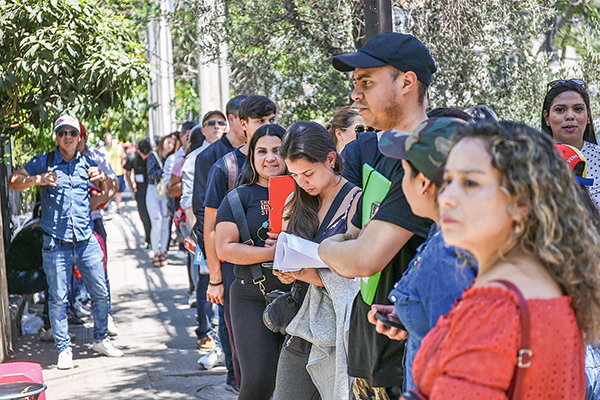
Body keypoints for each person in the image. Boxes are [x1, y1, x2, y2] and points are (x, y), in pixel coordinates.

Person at [410, 121, 600, 399]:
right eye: (448, 180)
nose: (447, 197)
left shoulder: (495, 308)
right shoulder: (551, 279)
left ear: (521, 202)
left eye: (471, 183)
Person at [318, 32, 436, 398]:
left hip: (407, 360)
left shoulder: (426, 157)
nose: (355, 94)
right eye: (355, 84)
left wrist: (324, 250)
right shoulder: (382, 148)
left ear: (406, 82)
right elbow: (356, 236)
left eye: (367, 82)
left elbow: (363, 257)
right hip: (370, 350)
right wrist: (348, 247)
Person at [366, 118, 477, 392]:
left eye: (404, 172)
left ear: (424, 182)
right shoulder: (454, 235)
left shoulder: (446, 255)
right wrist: (410, 314)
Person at [8, 115, 124, 370]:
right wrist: (37, 180)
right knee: (58, 297)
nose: (68, 137)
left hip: (85, 238)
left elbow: (113, 186)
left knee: (101, 292)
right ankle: (64, 349)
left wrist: (102, 178)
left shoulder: (90, 160)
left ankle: (101, 339)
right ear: (57, 137)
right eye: (63, 133)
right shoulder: (46, 162)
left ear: (79, 136)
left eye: (72, 132)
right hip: (56, 242)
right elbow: (13, 181)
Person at [274, 121, 362, 400]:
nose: (302, 182)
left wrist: (306, 273)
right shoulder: (294, 199)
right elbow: (287, 250)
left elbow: (357, 272)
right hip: (301, 322)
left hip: (341, 328)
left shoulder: (356, 201)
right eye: (295, 175)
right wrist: (286, 271)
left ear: (331, 159)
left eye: (308, 173)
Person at [200, 96, 277, 389]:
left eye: (272, 120)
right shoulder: (226, 168)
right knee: (250, 371)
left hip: (287, 278)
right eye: (260, 122)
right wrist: (215, 279)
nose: (267, 127)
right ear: (243, 125)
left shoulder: (288, 166)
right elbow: (210, 229)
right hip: (239, 274)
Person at [215, 124, 289, 400]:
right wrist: (271, 254)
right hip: (251, 297)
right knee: (258, 382)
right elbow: (225, 248)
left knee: (301, 385)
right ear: (252, 156)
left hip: (303, 296)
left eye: (277, 150)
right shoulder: (238, 197)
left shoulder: (308, 191)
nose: (270, 157)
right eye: (262, 151)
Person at [190, 95, 247, 393]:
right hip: (223, 252)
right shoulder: (210, 158)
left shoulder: (262, 152)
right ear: (237, 120)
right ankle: (234, 378)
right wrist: (213, 268)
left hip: (256, 252)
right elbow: (203, 213)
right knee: (227, 317)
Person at [75, 123, 120, 336]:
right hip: (67, 225)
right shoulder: (55, 159)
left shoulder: (96, 156)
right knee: (68, 273)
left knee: (100, 271)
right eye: (65, 134)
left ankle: (105, 315)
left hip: (93, 222)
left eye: (76, 134)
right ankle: (68, 312)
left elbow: (112, 184)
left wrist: (99, 196)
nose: (72, 139)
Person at [541, 78, 600, 209]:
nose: (570, 116)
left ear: (588, 116)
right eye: (560, 110)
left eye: (578, 109)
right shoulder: (531, 161)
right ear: (547, 118)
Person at [146, 136, 175, 267]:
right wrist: (164, 173)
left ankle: (163, 252)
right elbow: (150, 173)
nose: (170, 145)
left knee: (165, 222)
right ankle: (156, 253)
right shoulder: (153, 155)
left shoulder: (173, 158)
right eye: (168, 142)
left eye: (173, 143)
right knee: (156, 223)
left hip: (166, 192)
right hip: (154, 190)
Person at [124, 139, 153, 250]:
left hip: (153, 190)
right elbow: (127, 172)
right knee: (144, 217)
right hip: (140, 192)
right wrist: (132, 189)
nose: (145, 156)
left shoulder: (153, 156)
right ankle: (148, 239)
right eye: (143, 153)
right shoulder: (133, 158)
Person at [101, 132, 126, 214]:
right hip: (107, 174)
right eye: (107, 138)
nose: (109, 140)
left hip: (118, 172)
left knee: (118, 191)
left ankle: (117, 207)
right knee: (107, 191)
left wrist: (123, 168)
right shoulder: (102, 150)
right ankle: (106, 207)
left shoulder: (118, 148)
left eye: (110, 138)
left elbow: (123, 159)